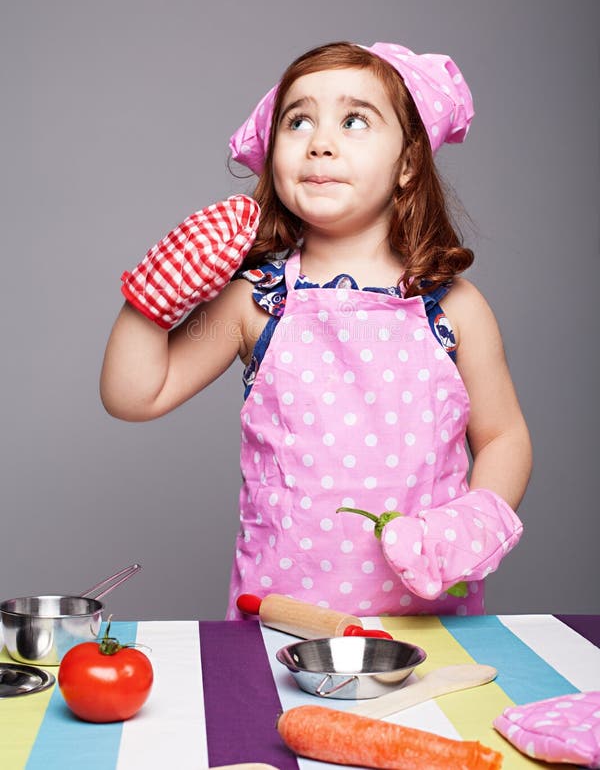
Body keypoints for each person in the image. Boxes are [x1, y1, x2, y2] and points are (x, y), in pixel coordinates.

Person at [100, 41, 532, 619]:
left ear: (407, 163)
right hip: (281, 624)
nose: (320, 142)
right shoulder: (254, 302)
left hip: (433, 624)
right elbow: (134, 396)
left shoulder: (454, 306)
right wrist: (152, 301)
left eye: (355, 120)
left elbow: (504, 436)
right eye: (298, 120)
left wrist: (474, 521)